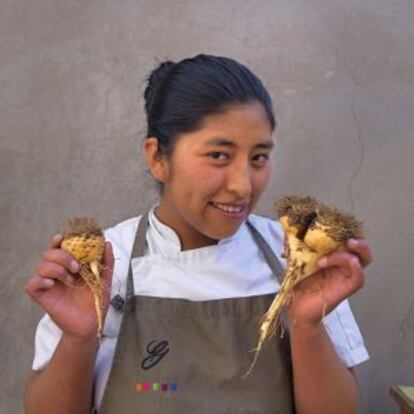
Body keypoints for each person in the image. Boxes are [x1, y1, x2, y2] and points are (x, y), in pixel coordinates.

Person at [24, 54, 373, 414]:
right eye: (219, 155)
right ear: (159, 158)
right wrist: (79, 338)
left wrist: (306, 323)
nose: (243, 186)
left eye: (258, 158)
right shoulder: (103, 265)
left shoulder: (299, 262)